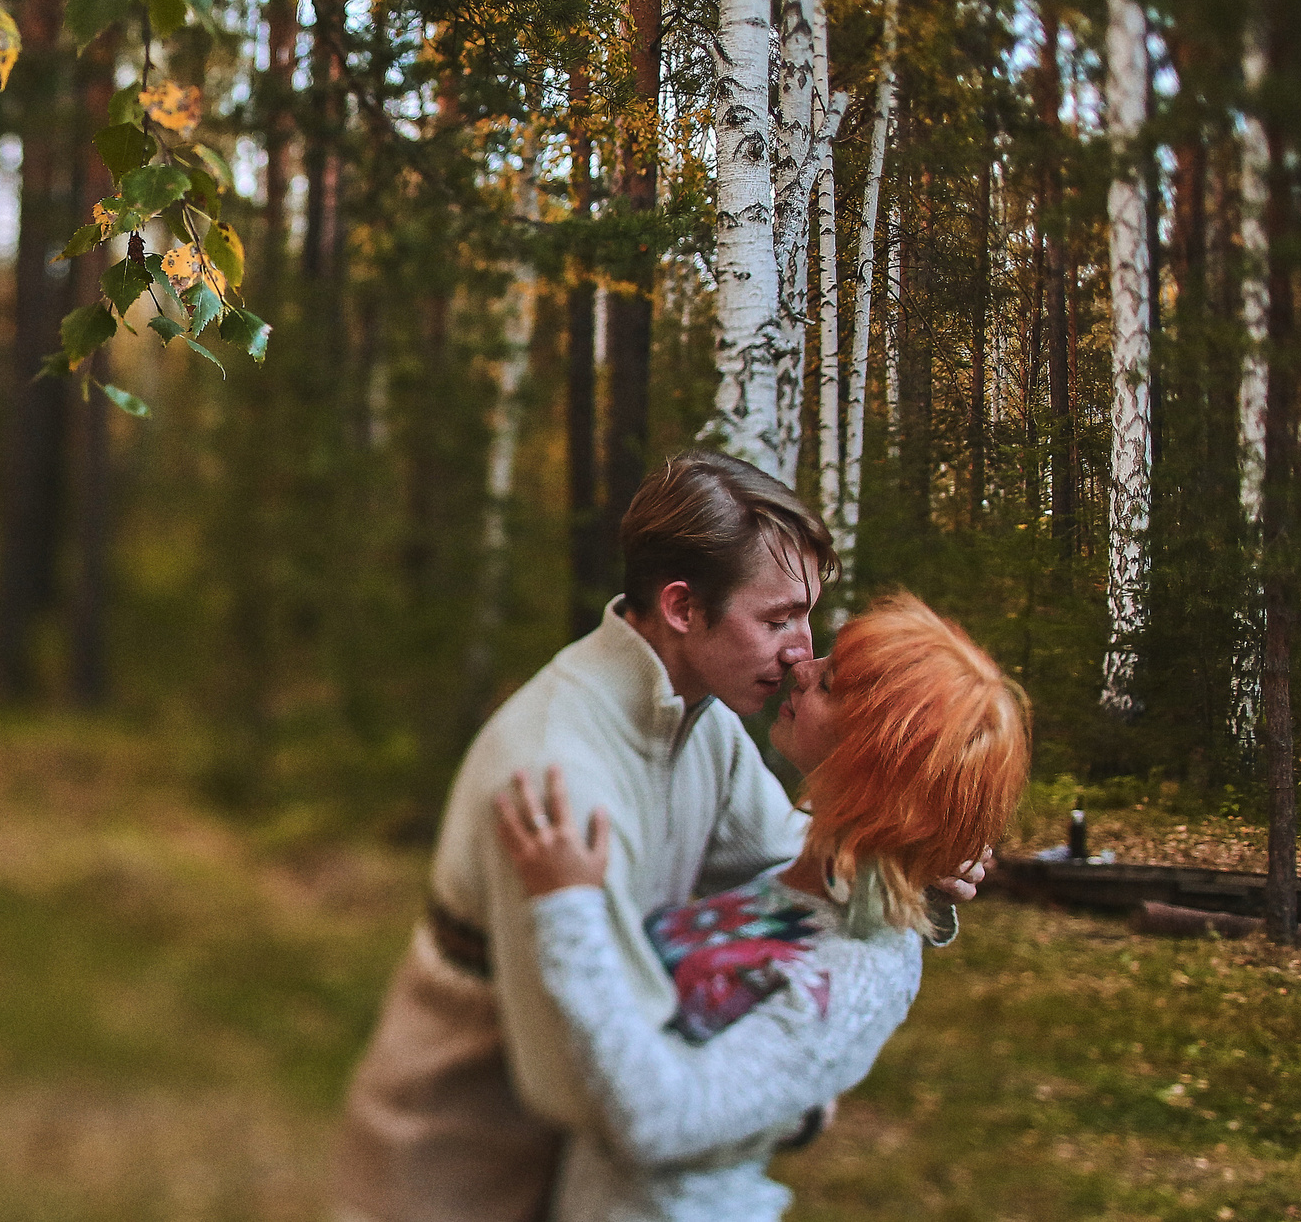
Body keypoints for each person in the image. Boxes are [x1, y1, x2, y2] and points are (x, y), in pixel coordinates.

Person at [333, 452, 854, 1222]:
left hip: (579, 1173)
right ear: (682, 606)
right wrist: (794, 1100)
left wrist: (911, 856)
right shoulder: (557, 772)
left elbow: (798, 866)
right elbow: (587, 1086)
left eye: (805, 614)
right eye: (777, 617)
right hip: (455, 1174)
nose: (801, 649)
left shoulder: (698, 715)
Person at [493, 595, 1031, 1222]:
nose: (802, 664)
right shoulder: (801, 877)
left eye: (828, 682)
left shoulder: (859, 971)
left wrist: (570, 909)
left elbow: (659, 1122)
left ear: (871, 757)